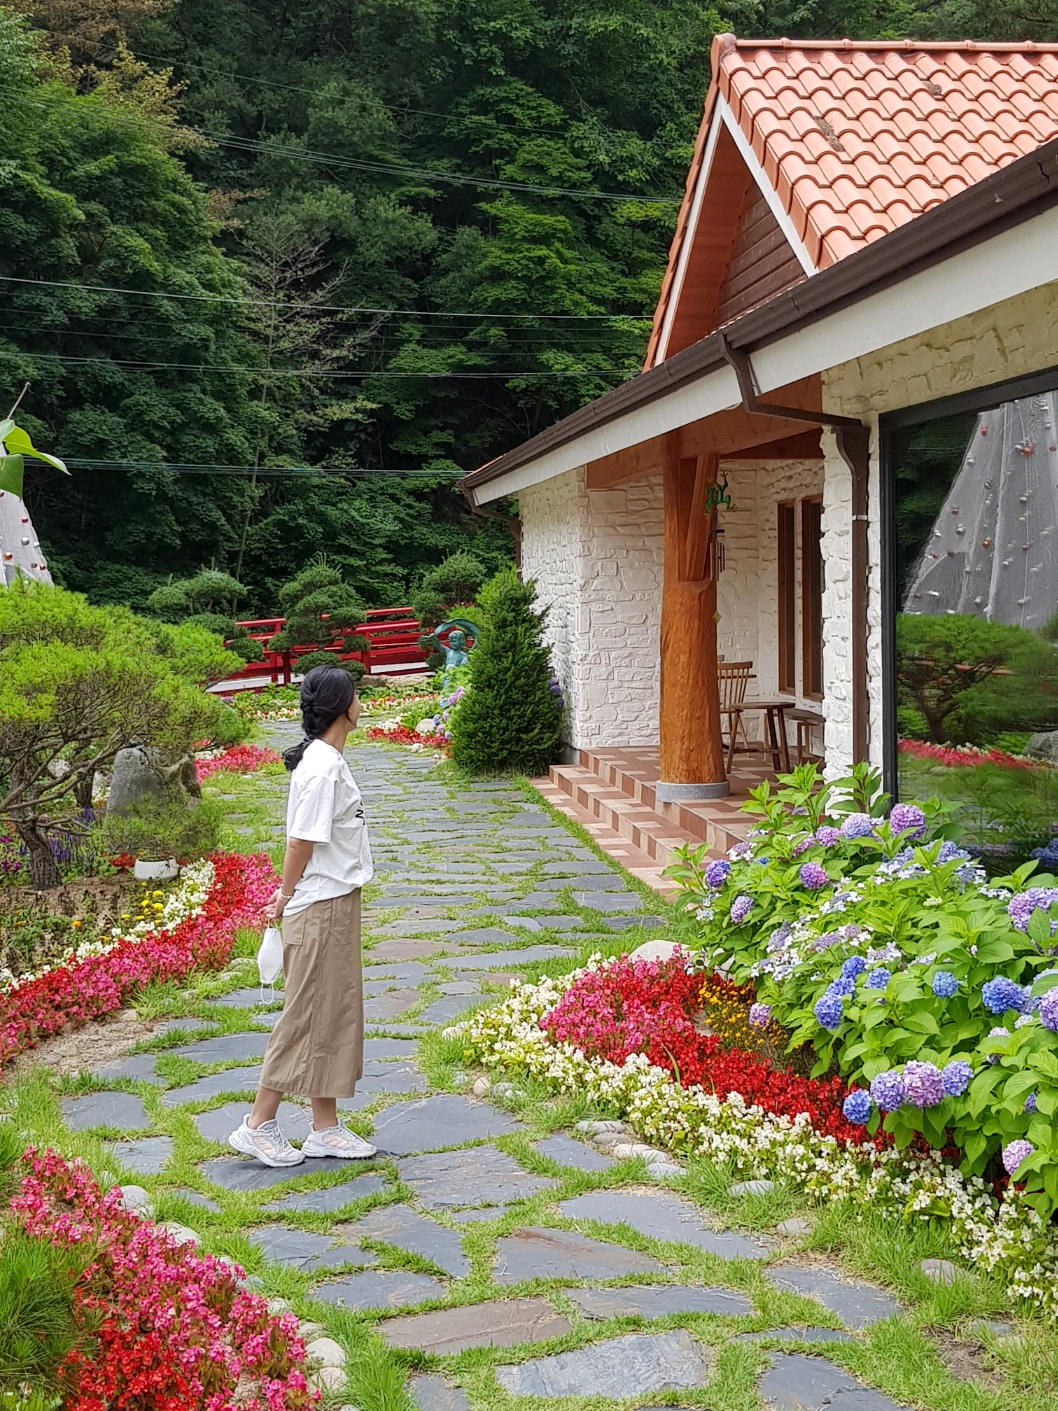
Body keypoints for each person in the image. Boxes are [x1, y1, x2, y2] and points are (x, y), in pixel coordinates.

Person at [228, 664, 377, 1166]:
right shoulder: (322, 766)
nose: (362, 700)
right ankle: (258, 1124)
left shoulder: (327, 759)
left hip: (333, 902)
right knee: (305, 1015)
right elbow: (301, 841)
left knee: (331, 1012)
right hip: (319, 908)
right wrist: (284, 895)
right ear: (342, 706)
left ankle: (324, 1126)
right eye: (356, 694)